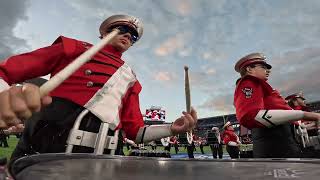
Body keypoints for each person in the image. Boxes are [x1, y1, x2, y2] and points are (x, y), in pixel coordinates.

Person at [0, 14, 197, 160]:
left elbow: (135, 132)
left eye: (133, 36)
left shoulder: (132, 79)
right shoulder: (74, 48)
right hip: (48, 154)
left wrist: (172, 129)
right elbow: (7, 70)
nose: (128, 35)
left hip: (107, 160)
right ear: (104, 33)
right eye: (121, 30)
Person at [233, 52, 320, 158]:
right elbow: (250, 115)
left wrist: (300, 125)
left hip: (280, 140)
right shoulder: (249, 81)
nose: (268, 70)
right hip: (274, 143)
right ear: (249, 69)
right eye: (263, 67)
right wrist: (305, 115)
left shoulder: (260, 85)